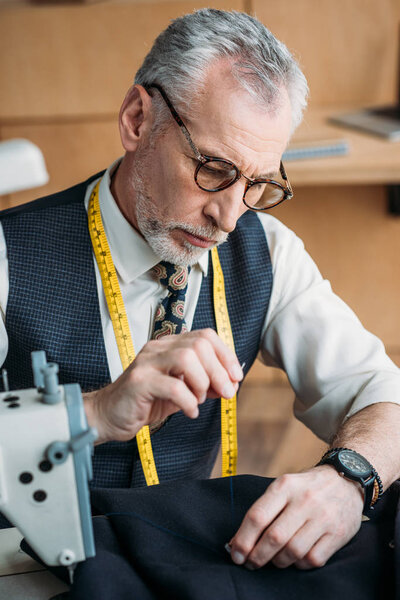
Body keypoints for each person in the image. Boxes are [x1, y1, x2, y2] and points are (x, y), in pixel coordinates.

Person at [1, 8, 400, 574]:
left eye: (257, 184)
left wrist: (349, 479)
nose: (229, 217)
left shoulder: (268, 251)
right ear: (138, 120)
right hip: (25, 567)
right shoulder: (6, 256)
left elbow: (383, 392)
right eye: (212, 168)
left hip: (175, 563)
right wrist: (91, 413)